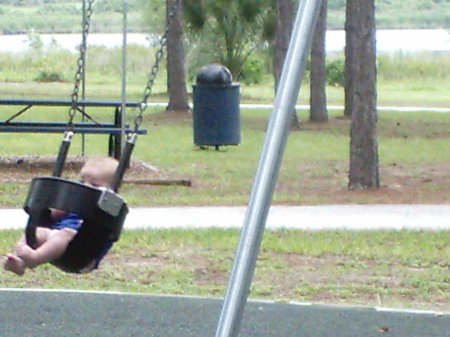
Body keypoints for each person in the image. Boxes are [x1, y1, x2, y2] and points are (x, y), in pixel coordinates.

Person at [3, 156, 119, 276]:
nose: (86, 187)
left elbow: (106, 234)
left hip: (82, 252)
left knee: (65, 234)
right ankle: (19, 259)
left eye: (94, 185)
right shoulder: (76, 199)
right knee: (34, 231)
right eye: (82, 182)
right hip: (55, 236)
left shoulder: (108, 211)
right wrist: (58, 206)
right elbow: (54, 215)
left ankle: (35, 258)